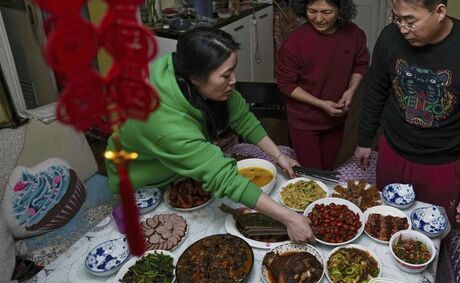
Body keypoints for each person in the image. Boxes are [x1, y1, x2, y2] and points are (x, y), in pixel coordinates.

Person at [105, 25, 314, 242]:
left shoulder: (189, 70)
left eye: (233, 69)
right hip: (143, 183)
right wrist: (290, 219)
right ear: (196, 77)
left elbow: (241, 116)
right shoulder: (163, 123)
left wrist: (279, 156)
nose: (233, 80)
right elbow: (222, 177)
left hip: (178, 166)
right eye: (226, 75)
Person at [354, 0, 460, 226]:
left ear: (439, 12)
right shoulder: (390, 38)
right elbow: (375, 89)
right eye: (397, 18)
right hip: (393, 151)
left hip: (443, 162)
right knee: (385, 222)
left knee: (433, 234)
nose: (402, 28)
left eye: (410, 21)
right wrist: (364, 138)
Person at [277, 0, 369, 170]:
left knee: (326, 171)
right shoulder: (295, 43)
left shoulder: (355, 35)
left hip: (336, 117)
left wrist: (351, 91)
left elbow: (360, 64)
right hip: (304, 121)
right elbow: (286, 84)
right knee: (313, 174)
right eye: (312, 11)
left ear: (340, 10)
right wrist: (320, 104)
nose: (318, 18)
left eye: (326, 12)